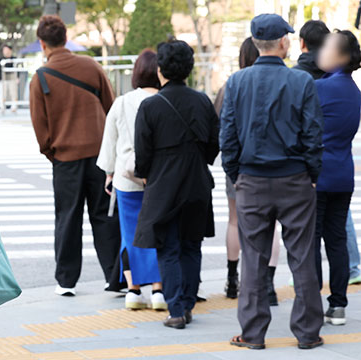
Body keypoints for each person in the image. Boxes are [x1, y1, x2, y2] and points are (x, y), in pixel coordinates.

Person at [220, 14, 324, 350]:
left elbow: (229, 138)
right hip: (295, 179)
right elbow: (313, 134)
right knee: (302, 256)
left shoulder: (236, 82)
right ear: (282, 42)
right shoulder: (301, 82)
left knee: (253, 258)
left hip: (251, 180)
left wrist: (237, 175)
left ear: (254, 42)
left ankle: (253, 334)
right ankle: (307, 332)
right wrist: (311, 174)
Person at [29, 15, 120, 297]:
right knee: (104, 216)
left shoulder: (41, 78)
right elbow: (111, 108)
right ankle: (114, 277)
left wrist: (52, 153)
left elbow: (40, 126)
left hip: (65, 159)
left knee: (67, 217)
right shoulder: (91, 66)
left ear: (42, 43)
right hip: (98, 156)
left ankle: (66, 281)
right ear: (66, 38)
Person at [134, 40, 219, 329]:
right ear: (189, 69)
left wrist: (148, 173)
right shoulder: (202, 101)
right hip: (197, 183)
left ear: (161, 70)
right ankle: (188, 303)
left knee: (168, 248)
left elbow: (142, 155)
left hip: (164, 186)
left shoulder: (150, 106)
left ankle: (176, 310)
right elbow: (213, 147)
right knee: (192, 247)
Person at [214, 37, 281, 305]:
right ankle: (269, 285)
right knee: (271, 226)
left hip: (240, 165)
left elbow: (220, 129)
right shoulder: (280, 81)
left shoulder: (231, 84)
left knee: (235, 221)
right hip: (275, 163)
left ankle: (233, 280)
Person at [97, 49, 164, 310]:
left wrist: (109, 173)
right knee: (158, 232)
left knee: (130, 234)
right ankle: (158, 290)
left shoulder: (123, 102)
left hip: (127, 179)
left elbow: (109, 142)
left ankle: (134, 290)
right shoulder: (165, 100)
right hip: (158, 179)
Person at [313, 29, 361, 326]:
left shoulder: (321, 88)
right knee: (337, 240)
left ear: (342, 56)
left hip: (318, 176)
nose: (321, 51)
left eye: (328, 47)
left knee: (311, 242)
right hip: (344, 173)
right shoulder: (354, 91)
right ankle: (338, 305)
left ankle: (313, 302)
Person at [1, 45, 19, 112]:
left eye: (6, 50)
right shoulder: (1, 59)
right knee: (3, 93)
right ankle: (2, 107)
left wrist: (17, 77)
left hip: (12, 77)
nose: (5, 51)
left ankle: (14, 107)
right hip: (3, 77)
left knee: (13, 92)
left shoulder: (14, 59)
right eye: (4, 50)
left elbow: (18, 69)